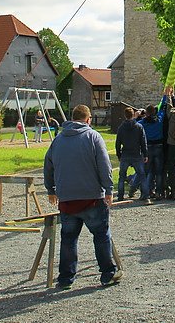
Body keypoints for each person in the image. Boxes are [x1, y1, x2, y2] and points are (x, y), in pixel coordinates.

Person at [44, 104, 122, 289]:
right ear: (88, 120)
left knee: (69, 239)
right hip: (91, 197)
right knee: (101, 235)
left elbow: (48, 165)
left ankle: (65, 278)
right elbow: (104, 165)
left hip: (67, 199)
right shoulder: (93, 137)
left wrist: (50, 189)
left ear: (72, 118)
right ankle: (107, 273)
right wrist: (109, 189)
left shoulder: (58, 139)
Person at [115, 107, 150, 202]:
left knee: (122, 176)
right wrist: (145, 154)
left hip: (125, 153)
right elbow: (143, 142)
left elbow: (118, 143)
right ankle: (146, 195)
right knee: (142, 175)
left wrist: (119, 154)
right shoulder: (138, 126)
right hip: (136, 154)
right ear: (133, 114)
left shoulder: (121, 128)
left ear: (125, 115)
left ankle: (120, 195)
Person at [139, 97, 167, 200]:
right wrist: (165, 96)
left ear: (146, 113)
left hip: (148, 147)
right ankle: (159, 192)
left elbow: (135, 124)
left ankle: (145, 193)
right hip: (159, 147)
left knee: (146, 171)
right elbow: (163, 108)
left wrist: (138, 115)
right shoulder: (159, 119)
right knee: (159, 172)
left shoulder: (143, 122)